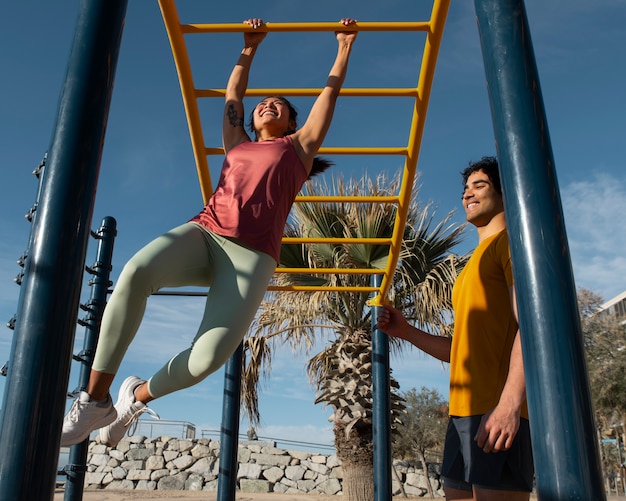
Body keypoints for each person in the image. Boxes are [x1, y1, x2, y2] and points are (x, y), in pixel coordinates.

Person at [61, 17, 358, 447]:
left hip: (253, 257)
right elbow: (234, 95)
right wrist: (249, 48)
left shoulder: (299, 149)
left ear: (294, 120)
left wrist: (344, 47)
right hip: (207, 233)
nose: (267, 105)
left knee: (206, 359)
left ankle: (136, 396)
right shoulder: (237, 142)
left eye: (279, 104)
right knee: (136, 272)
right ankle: (95, 399)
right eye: (264, 103)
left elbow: (328, 94)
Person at [377, 157, 533, 500]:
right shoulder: (469, 267)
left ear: (506, 193)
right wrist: (406, 331)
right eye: (465, 189)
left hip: (498, 409)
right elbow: (460, 349)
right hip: (462, 412)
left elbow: (532, 328)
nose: (468, 194)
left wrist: (509, 404)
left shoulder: (511, 244)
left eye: (480, 186)